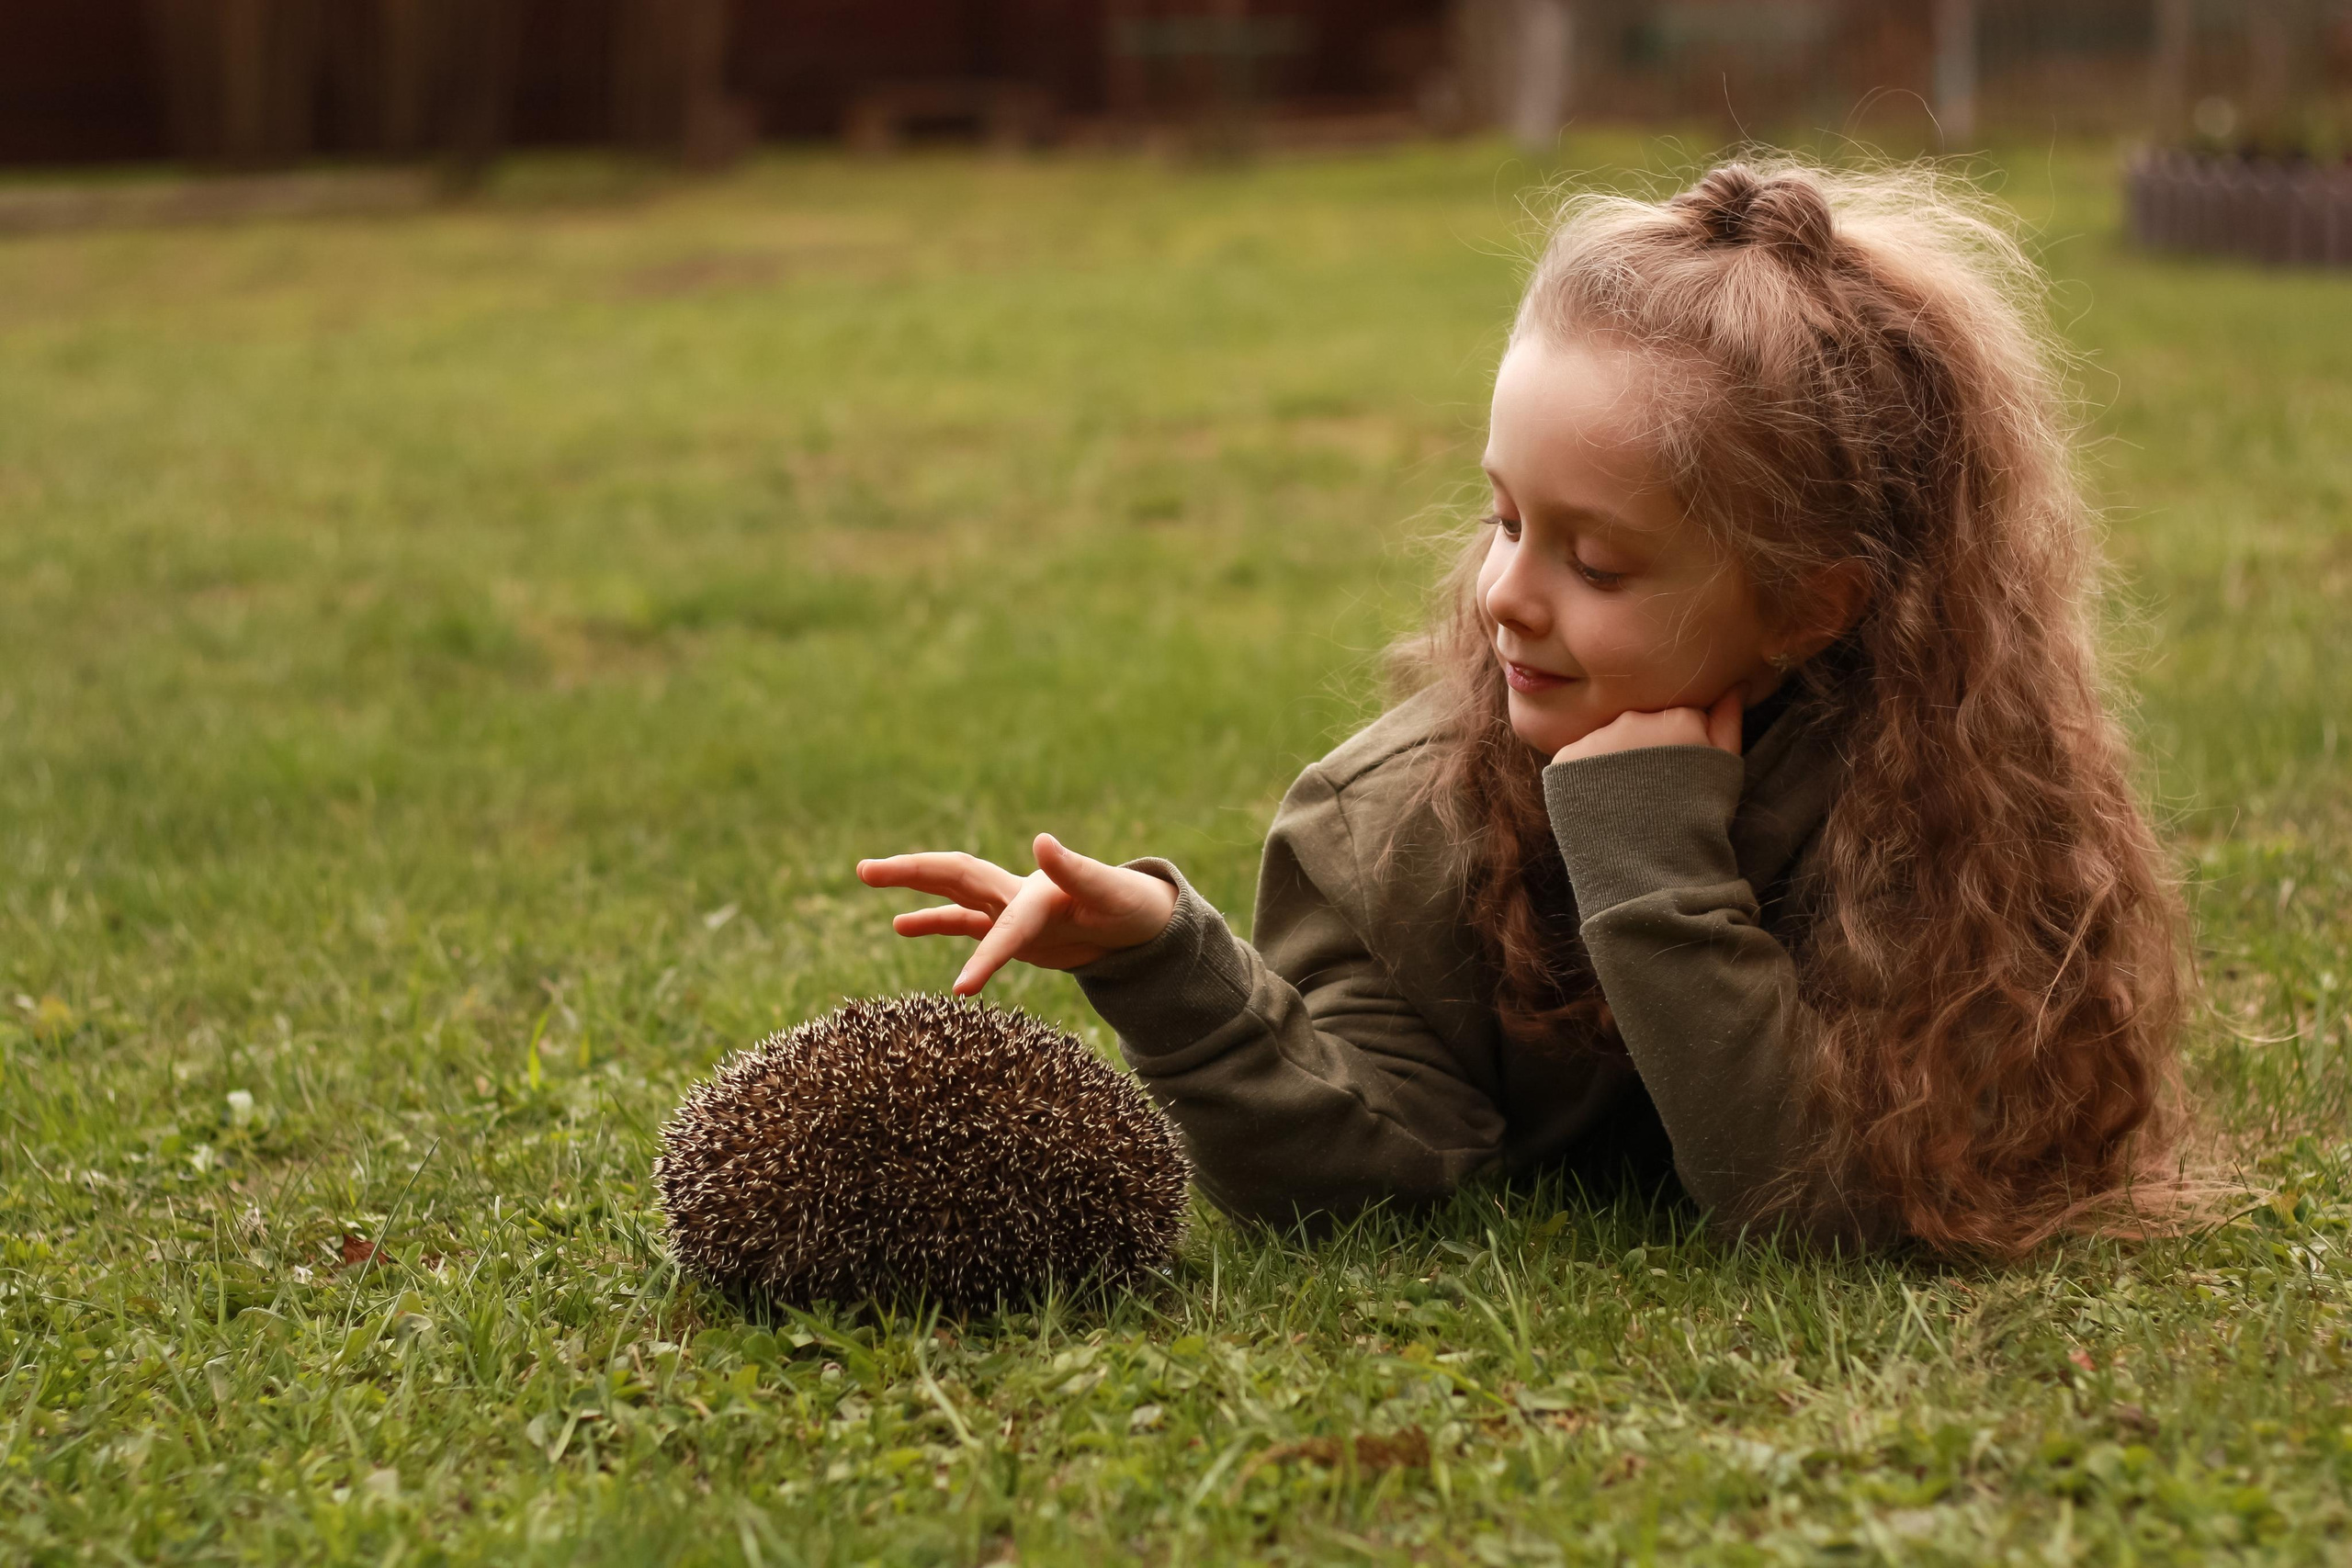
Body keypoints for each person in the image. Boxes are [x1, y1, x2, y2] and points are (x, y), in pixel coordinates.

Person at [856, 159, 2188, 1256]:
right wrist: (1166, 965)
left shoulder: (1938, 801)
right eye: (1505, 520)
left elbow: (1822, 1208)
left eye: (1595, 563)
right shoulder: (1388, 830)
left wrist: (1652, 866)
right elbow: (1361, 1176)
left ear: (1810, 607)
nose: (1504, 594)